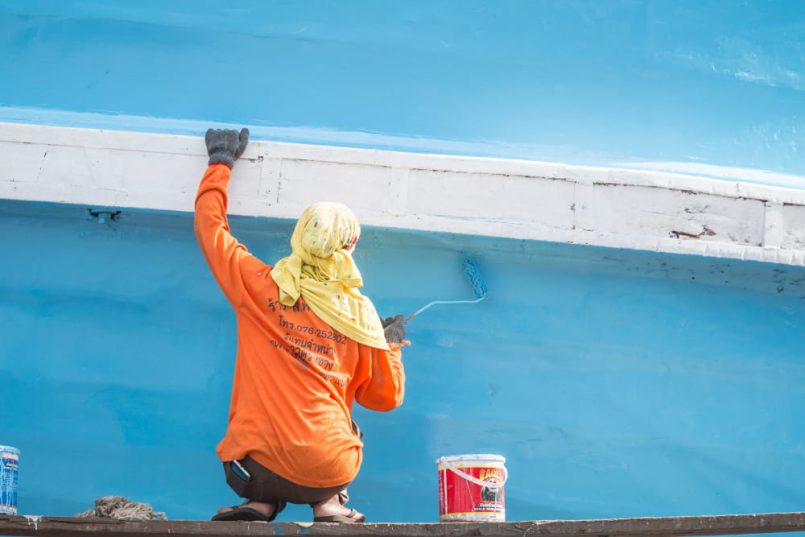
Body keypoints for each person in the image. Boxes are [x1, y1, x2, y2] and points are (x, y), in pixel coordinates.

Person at [195, 128, 408, 523]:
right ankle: (329, 505)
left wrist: (220, 162)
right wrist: (390, 344)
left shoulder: (257, 286)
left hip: (256, 471)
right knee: (347, 426)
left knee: (256, 431)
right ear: (350, 247)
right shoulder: (360, 317)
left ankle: (258, 503)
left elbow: (211, 229)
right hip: (328, 470)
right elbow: (385, 399)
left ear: (301, 236)